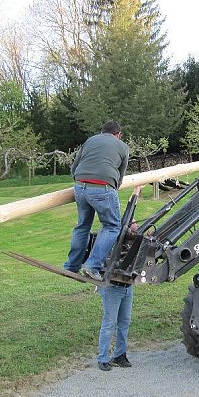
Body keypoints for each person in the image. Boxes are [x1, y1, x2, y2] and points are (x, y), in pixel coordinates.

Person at [64, 121, 129, 281]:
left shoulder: (90, 141)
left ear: (102, 132)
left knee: (82, 226)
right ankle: (91, 266)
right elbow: (120, 176)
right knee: (112, 226)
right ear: (118, 134)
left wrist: (81, 182)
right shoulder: (122, 146)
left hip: (80, 186)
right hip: (103, 188)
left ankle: (72, 266)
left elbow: (74, 167)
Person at [95, 185, 143, 371]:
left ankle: (120, 355)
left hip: (127, 287)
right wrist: (135, 194)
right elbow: (126, 218)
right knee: (109, 323)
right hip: (112, 287)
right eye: (133, 225)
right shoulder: (116, 236)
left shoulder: (134, 242)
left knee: (124, 322)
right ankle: (103, 357)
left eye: (136, 226)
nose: (135, 227)